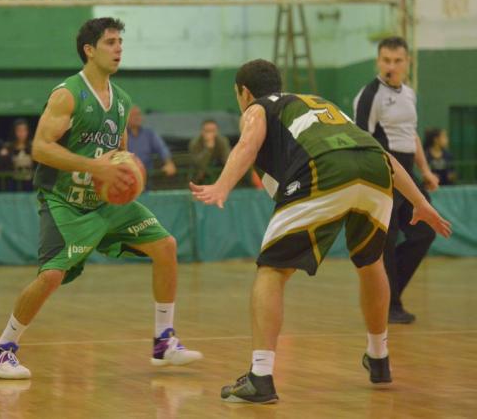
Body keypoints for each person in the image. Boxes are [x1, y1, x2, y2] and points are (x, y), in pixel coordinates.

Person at [190, 59, 451, 403]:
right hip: (375, 170)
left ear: (244, 92)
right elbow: (378, 153)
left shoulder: (258, 107)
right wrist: (419, 200)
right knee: (371, 263)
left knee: (272, 271)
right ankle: (379, 358)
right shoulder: (318, 104)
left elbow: (248, 143)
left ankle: (261, 376)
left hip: (324, 170)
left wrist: (222, 185)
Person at [0, 17, 202, 379]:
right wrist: (93, 166)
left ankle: (164, 342)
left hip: (104, 203)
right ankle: (1, 350)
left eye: (120, 42)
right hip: (64, 201)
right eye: (111, 42)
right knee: (51, 276)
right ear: (90, 49)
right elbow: (40, 147)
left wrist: (127, 173)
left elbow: (121, 158)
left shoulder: (123, 100)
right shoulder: (68, 93)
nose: (118, 48)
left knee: (166, 246)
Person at [354, 37, 439, 324]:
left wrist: (425, 171)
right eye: (386, 60)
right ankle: (389, 306)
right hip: (383, 173)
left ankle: (385, 295)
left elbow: (411, 135)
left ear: (407, 62)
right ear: (378, 61)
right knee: (387, 242)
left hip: (408, 174)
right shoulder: (369, 95)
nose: (391, 66)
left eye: (397, 60)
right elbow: (360, 139)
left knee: (425, 231)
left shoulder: (409, 94)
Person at [126, 105, 177, 187]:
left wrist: (169, 163)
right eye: (133, 115)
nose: (137, 117)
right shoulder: (121, 135)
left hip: (147, 178)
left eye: (139, 114)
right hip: (126, 179)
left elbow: (162, 148)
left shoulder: (149, 134)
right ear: (126, 118)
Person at [188, 119, 231, 184]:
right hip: (199, 170)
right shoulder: (195, 143)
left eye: (213, 131)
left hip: (218, 167)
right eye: (207, 131)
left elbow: (227, 160)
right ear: (202, 131)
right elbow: (198, 162)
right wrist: (208, 149)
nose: (210, 134)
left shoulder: (222, 141)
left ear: (217, 131)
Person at [4, 118, 35, 191]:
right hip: (14, 183)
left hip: (30, 183)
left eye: (24, 130)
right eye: (19, 130)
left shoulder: (33, 147)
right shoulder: (8, 147)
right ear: (14, 132)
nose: (21, 133)